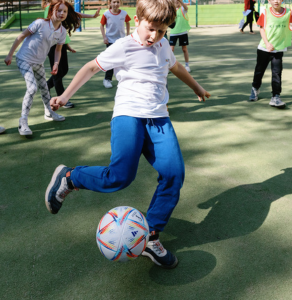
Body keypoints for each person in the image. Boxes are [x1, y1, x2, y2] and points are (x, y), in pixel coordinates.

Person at [45, 0, 210, 269]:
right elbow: (91, 67)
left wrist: (197, 88)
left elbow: (176, 67)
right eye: (150, 29)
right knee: (120, 177)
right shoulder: (124, 45)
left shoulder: (163, 45)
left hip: (158, 118)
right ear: (136, 20)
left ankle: (150, 236)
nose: (154, 36)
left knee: (174, 174)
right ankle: (70, 177)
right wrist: (64, 96)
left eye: (162, 31)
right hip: (128, 115)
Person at [4, 0, 80, 136]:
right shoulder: (40, 23)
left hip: (38, 63)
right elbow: (21, 36)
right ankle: (23, 121)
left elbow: (58, 50)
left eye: (65, 11)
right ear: (52, 11)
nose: (61, 13)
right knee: (32, 88)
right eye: (59, 10)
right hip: (24, 59)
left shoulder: (62, 31)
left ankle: (49, 112)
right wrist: (10, 54)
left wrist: (56, 64)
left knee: (44, 87)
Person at [42, 0, 101, 108]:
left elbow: (74, 14)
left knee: (64, 70)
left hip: (61, 43)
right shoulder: (50, 8)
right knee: (57, 73)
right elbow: (50, 27)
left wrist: (92, 16)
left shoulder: (62, 8)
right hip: (52, 45)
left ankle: (45, 86)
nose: (62, 12)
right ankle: (61, 97)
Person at [249, 0, 292, 108]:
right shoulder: (265, 12)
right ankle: (255, 88)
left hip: (279, 49)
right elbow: (262, 29)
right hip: (264, 48)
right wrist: (267, 44)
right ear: (269, 1)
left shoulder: (288, 12)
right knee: (259, 71)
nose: (276, 1)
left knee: (277, 73)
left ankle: (275, 97)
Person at [100, 0, 131, 88]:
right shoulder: (106, 14)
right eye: (114, 2)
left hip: (122, 41)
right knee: (111, 61)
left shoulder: (124, 13)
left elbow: (128, 23)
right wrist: (104, 37)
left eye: (117, 2)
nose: (116, 4)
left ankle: (124, 79)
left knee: (123, 60)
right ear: (110, 3)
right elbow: (102, 25)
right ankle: (107, 79)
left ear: (120, 3)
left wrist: (128, 35)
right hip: (110, 41)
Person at [169, 0, 191, 72]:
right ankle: (169, 65)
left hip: (183, 32)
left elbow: (186, 8)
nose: (176, 2)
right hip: (173, 32)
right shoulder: (171, 10)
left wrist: (181, 2)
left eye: (177, 1)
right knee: (171, 50)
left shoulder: (182, 9)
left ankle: (187, 65)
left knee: (184, 49)